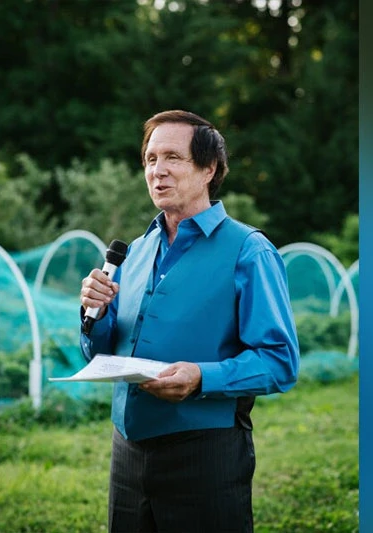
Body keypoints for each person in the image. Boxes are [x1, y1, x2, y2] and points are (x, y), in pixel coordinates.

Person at [79, 110, 300, 533]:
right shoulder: (135, 251)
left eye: (172, 158)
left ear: (209, 169)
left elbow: (280, 362)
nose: (157, 170)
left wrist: (202, 377)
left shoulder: (250, 251)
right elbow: (101, 351)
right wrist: (96, 316)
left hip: (205, 453)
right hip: (127, 452)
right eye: (150, 159)